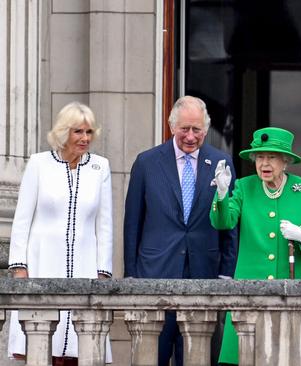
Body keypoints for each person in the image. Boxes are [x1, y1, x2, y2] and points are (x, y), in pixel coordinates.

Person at [123, 95, 237, 365]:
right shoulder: (147, 163)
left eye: (196, 130)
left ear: (205, 129)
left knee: (197, 359)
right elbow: (132, 223)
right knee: (153, 358)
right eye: (184, 129)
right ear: (172, 126)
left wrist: (226, 274)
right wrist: (131, 275)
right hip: (155, 276)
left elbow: (230, 224)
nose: (190, 136)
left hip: (204, 276)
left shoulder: (221, 162)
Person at [210, 126, 301, 365]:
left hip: (290, 296)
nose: (265, 163)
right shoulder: (244, 187)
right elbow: (223, 222)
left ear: (285, 162)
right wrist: (222, 195)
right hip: (248, 294)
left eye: (272, 157)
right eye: (260, 157)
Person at [7, 101, 113, 364]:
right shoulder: (39, 164)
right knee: (42, 348)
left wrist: (103, 272)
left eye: (89, 132)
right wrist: (20, 268)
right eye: (78, 132)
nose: (85, 138)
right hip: (44, 263)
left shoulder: (100, 167)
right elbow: (22, 220)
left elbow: (105, 224)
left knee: (82, 349)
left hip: (85, 266)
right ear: (64, 132)